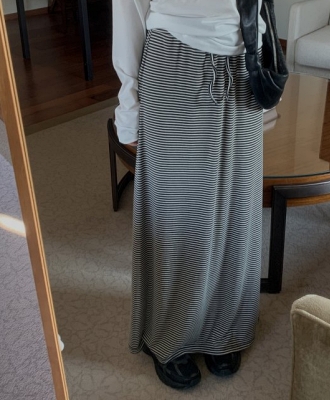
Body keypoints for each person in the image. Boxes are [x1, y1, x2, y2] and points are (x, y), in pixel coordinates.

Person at [112, 0, 266, 390]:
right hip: (175, 62)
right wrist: (129, 109)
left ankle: (224, 326)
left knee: (236, 212)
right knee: (177, 213)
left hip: (246, 62)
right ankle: (171, 332)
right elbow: (129, 12)